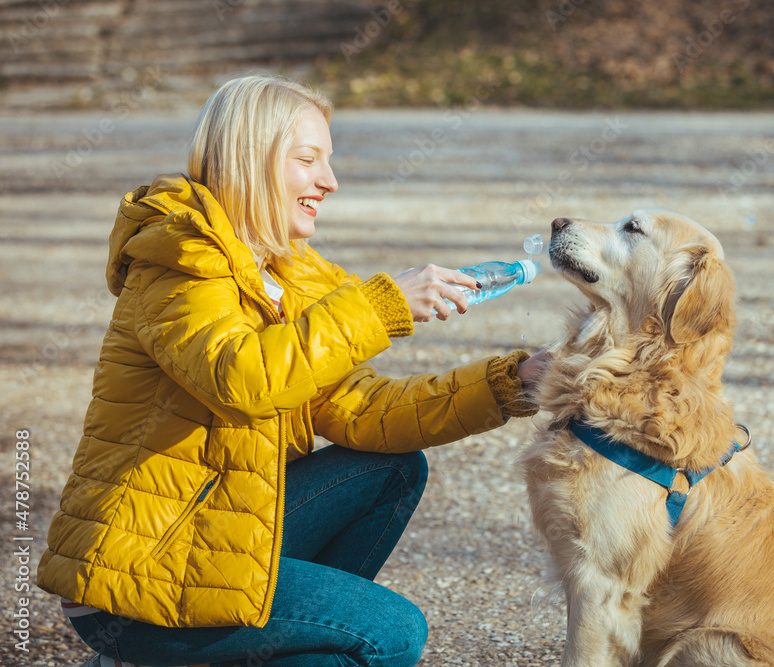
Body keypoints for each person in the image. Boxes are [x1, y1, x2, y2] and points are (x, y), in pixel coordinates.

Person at [36, 74, 547, 667]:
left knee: (391, 471)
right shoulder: (178, 261)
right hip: (139, 576)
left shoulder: (286, 277)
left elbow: (363, 411)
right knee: (391, 632)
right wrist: (379, 307)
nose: (329, 182)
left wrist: (513, 382)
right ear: (249, 161)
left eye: (327, 162)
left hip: (212, 537)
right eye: (308, 160)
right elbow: (243, 379)